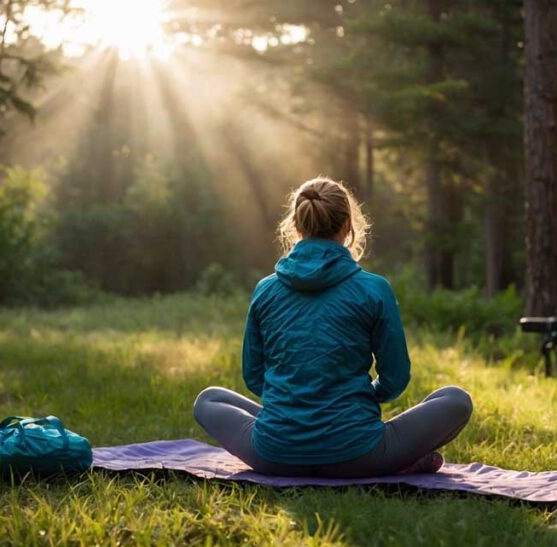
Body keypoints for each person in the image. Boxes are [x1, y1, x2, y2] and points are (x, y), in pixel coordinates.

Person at [193, 177, 472, 477]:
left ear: (297, 227)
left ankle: (295, 431)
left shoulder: (265, 289)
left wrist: (300, 397)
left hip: (274, 454)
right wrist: (354, 397)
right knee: (456, 400)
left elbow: (253, 376)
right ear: (348, 226)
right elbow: (395, 379)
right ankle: (400, 461)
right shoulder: (374, 289)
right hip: (360, 454)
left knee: (208, 399)